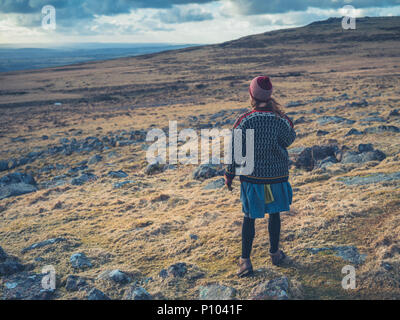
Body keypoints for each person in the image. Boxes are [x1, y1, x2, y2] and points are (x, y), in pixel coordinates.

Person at [224, 76, 296, 277]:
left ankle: (245, 261)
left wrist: (229, 175)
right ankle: (275, 254)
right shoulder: (279, 119)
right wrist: (281, 115)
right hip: (275, 177)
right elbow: (289, 138)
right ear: (270, 95)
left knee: (249, 217)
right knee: (274, 214)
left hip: (253, 179)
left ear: (251, 95)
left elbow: (235, 152)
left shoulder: (245, 121)